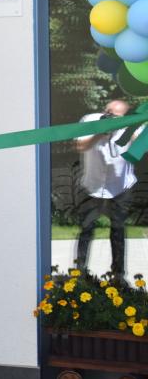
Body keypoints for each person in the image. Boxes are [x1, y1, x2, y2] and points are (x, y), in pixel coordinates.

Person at [74, 99, 141, 279]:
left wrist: (128, 128)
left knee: (118, 230)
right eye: (107, 112)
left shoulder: (131, 126)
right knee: (86, 229)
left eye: (115, 115)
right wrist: (99, 132)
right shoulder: (90, 120)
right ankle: (79, 274)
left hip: (121, 186)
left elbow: (142, 146)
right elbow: (80, 146)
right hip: (92, 186)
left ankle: (118, 276)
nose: (109, 116)